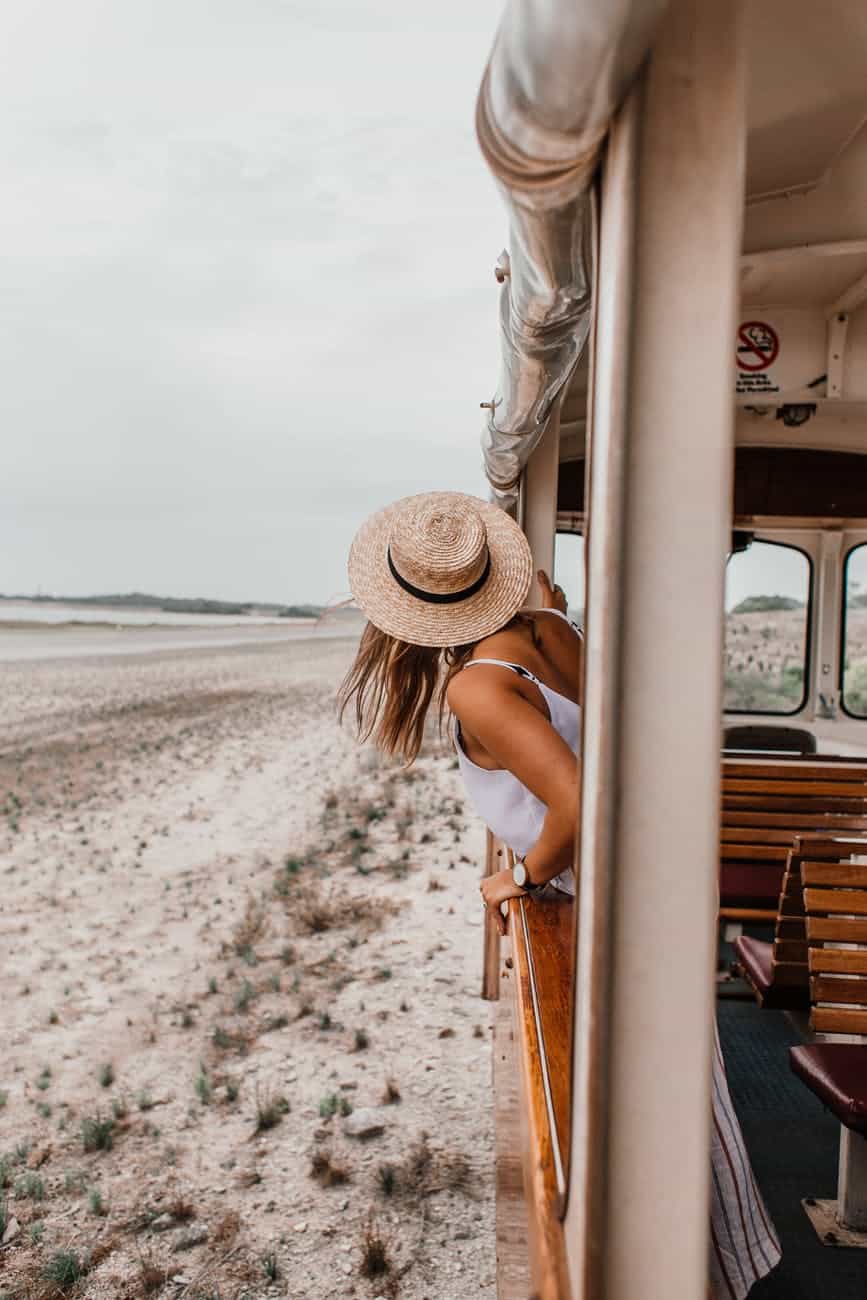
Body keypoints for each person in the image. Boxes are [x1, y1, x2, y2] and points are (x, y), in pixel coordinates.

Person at [339, 489, 780, 1299]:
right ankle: (723, 1260)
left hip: (603, 897)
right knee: (687, 1086)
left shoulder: (476, 686)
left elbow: (578, 799)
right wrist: (549, 603)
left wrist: (522, 874)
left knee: (648, 1100)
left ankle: (688, 1271)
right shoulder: (545, 632)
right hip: (657, 880)